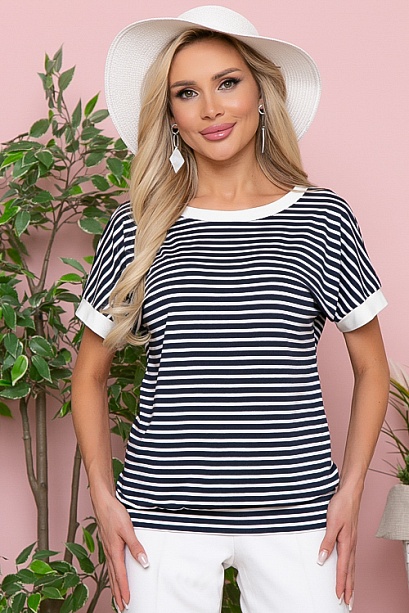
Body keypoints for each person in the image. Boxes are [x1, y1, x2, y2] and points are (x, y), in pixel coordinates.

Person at [71, 6, 389, 613]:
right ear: (170, 115)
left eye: (228, 82)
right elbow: (88, 373)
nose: (211, 108)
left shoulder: (321, 218)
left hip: (299, 512)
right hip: (162, 515)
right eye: (187, 93)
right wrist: (104, 498)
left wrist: (349, 492)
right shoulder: (139, 225)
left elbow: (372, 368)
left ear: (260, 94)